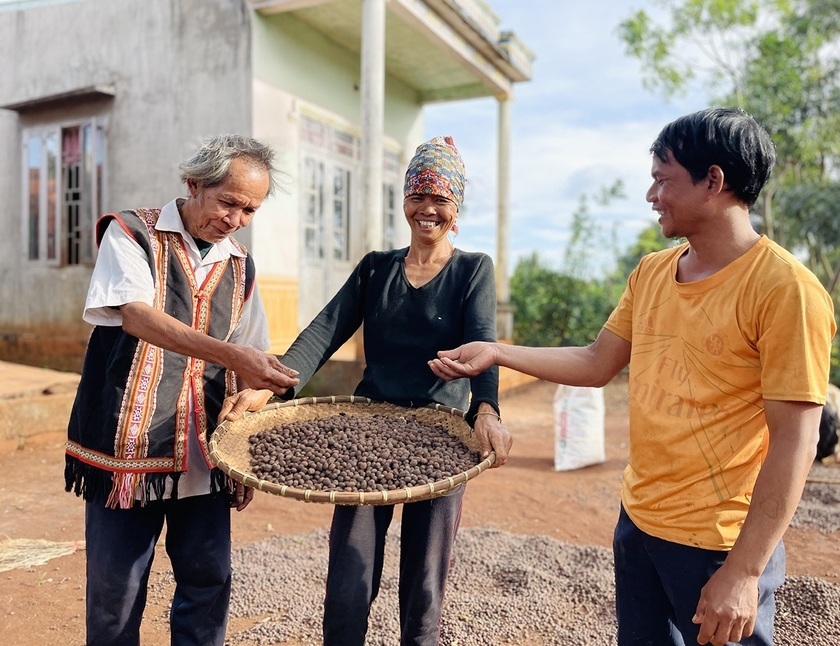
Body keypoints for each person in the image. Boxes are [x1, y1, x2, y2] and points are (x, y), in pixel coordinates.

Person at [429, 108, 836, 646]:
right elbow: (598, 362)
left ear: (713, 181)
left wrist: (744, 570)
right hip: (638, 525)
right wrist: (496, 352)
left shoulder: (786, 290)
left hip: (719, 544)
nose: (651, 195)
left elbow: (796, 441)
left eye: (663, 180)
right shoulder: (651, 273)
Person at [227, 135, 512, 646]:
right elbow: (324, 330)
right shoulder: (377, 268)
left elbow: (482, 343)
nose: (427, 209)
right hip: (368, 431)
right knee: (349, 580)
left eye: (440, 199)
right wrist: (270, 388)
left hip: (440, 439)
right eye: (417, 196)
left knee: (424, 583)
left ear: (456, 205)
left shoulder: (473, 270)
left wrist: (486, 410)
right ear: (404, 201)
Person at [64, 135, 299, 646]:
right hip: (129, 449)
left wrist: (248, 445)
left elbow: (252, 353)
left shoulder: (240, 265)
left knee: (208, 583)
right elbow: (136, 317)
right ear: (194, 184)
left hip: (203, 456)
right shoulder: (130, 233)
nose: (235, 218)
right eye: (228, 202)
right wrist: (233, 355)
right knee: (116, 594)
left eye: (250, 210)